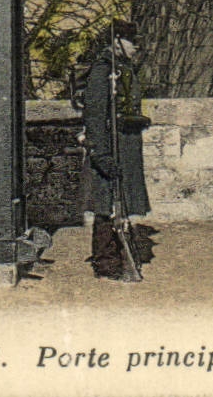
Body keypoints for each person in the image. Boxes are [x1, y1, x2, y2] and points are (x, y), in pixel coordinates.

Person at [82, 19, 151, 280]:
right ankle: (106, 262)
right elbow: (95, 116)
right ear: (116, 41)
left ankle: (119, 257)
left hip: (123, 148)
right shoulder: (102, 73)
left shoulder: (123, 70)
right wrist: (101, 156)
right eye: (132, 41)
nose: (136, 47)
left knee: (118, 204)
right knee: (105, 204)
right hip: (108, 149)